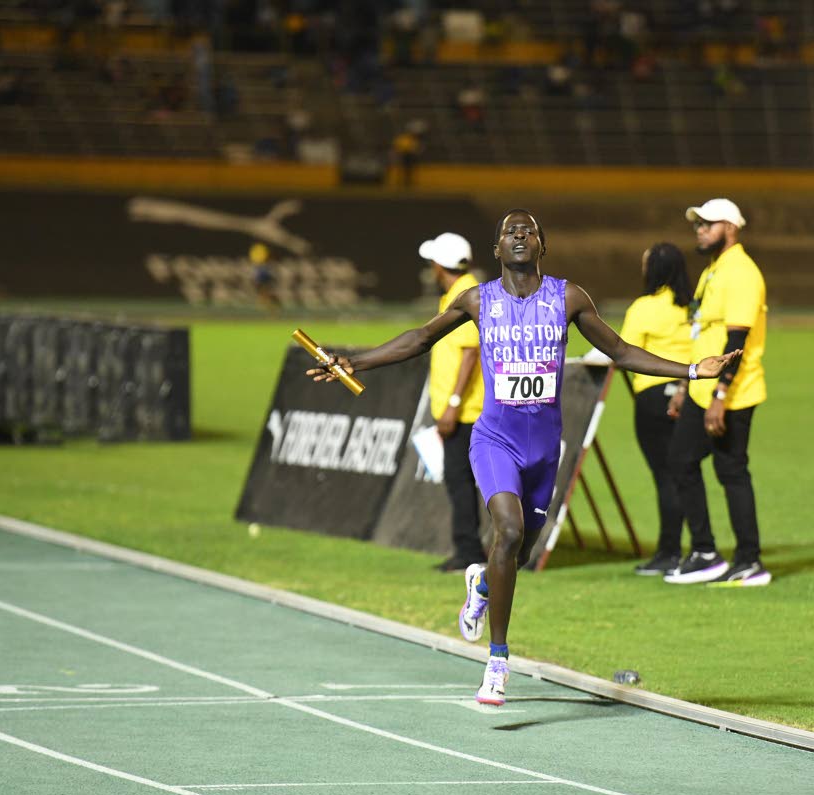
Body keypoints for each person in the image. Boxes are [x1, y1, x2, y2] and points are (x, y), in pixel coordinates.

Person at [309, 209, 739, 705]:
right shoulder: (476, 299)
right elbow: (420, 339)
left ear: (542, 245)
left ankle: (482, 586)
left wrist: (691, 370)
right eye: (508, 231)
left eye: (527, 230)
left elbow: (621, 352)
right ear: (496, 250)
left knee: (520, 554)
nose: (517, 235)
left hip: (543, 449)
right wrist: (354, 360)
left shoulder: (568, 298)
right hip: (494, 439)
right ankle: (497, 661)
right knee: (508, 532)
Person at [663, 198, 771, 587]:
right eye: (698, 225)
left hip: (732, 394)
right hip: (701, 390)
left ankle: (750, 560)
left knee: (731, 471)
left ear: (731, 226)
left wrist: (721, 396)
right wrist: (685, 385)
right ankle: (706, 552)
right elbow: (701, 333)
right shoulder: (714, 270)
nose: (700, 230)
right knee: (681, 461)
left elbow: (736, 341)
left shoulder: (741, 272)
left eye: (708, 224)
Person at [616, 243, 695, 576]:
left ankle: (668, 552)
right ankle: (695, 548)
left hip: (651, 398)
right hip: (687, 394)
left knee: (664, 476)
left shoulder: (643, 308)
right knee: (684, 474)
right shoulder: (693, 309)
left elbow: (622, 351)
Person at [418, 232, 487, 573]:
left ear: (437, 265)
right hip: (464, 407)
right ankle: (471, 549)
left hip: (466, 409)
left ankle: (469, 551)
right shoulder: (460, 292)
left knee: (460, 480)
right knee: (463, 480)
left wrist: (454, 403)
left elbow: (470, 353)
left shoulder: (463, 294)